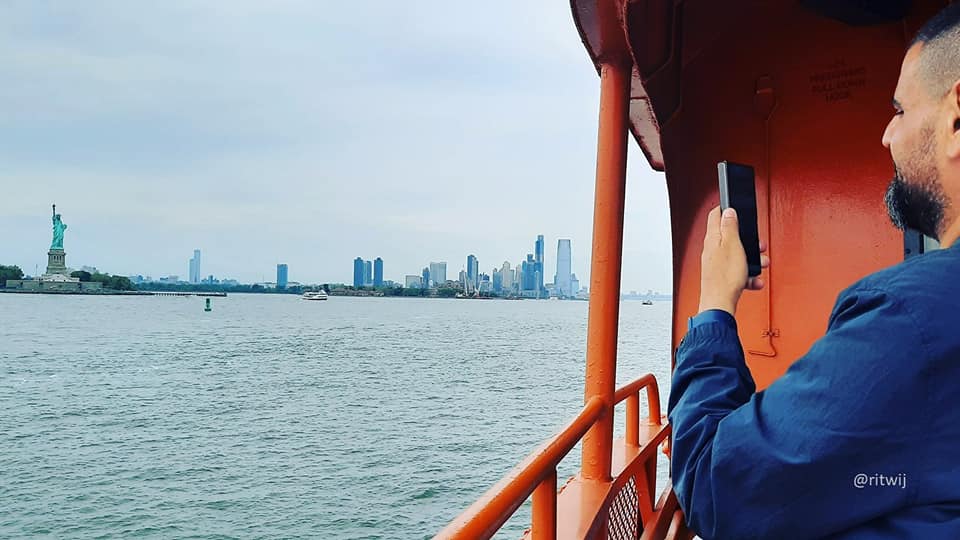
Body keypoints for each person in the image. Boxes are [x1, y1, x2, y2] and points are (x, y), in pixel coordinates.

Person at [669, 4, 960, 539]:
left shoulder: (909, 319)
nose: (886, 137)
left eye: (899, 112)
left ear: (956, 118)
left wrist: (713, 305)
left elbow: (714, 486)